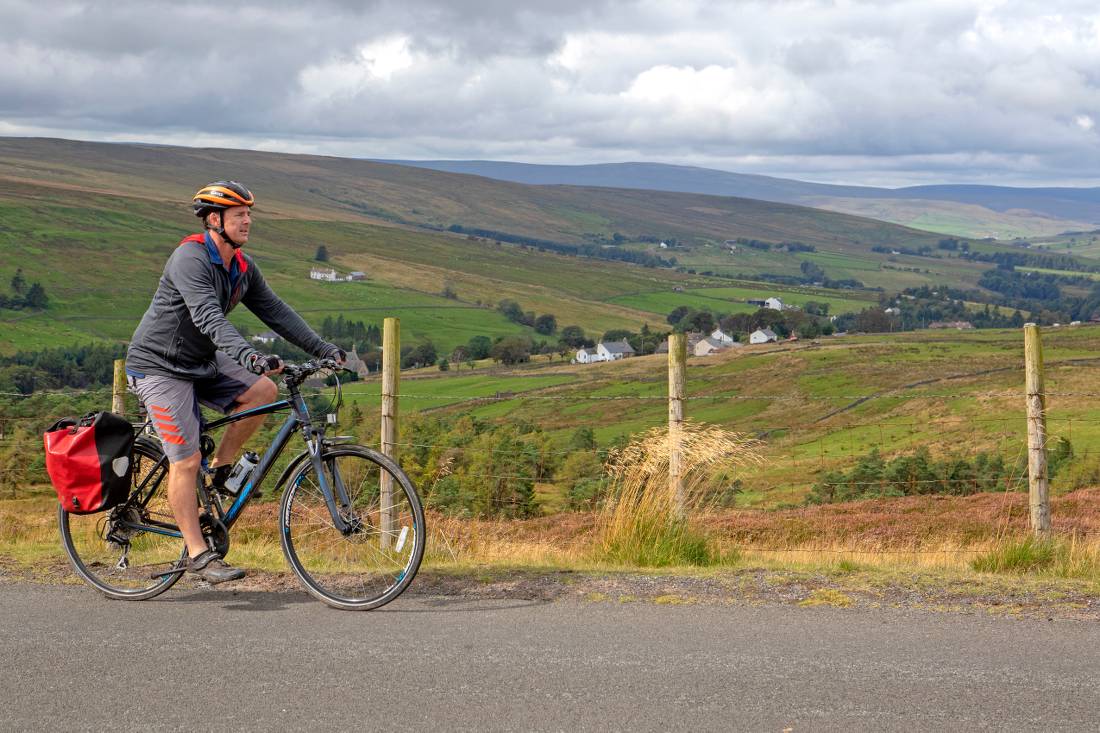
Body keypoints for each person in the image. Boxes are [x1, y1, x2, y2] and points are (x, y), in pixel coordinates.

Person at [126, 181, 345, 584]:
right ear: (215, 220)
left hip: (200, 362)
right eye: (239, 214)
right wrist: (249, 356)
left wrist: (323, 348)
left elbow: (275, 311)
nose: (248, 220)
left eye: (249, 213)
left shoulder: (241, 267)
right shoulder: (189, 258)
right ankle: (197, 554)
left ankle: (222, 467)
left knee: (263, 391)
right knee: (185, 460)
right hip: (159, 368)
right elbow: (209, 317)